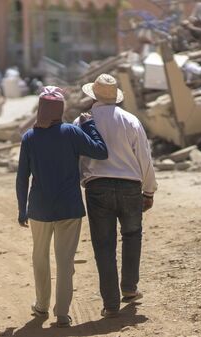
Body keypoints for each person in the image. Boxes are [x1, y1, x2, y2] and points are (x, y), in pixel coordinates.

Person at [16, 86, 108, 328]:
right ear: (60, 110)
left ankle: (41, 305)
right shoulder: (71, 133)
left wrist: (21, 209)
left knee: (40, 258)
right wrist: (89, 126)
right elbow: (101, 152)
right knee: (65, 262)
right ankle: (63, 313)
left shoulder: (29, 137)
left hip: (39, 209)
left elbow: (22, 177)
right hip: (69, 208)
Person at [76, 74, 158, 318]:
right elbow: (144, 157)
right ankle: (130, 288)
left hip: (97, 187)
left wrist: (83, 179)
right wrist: (149, 190)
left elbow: (77, 156)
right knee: (132, 236)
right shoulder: (130, 120)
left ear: (93, 95)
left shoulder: (82, 122)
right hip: (130, 187)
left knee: (104, 245)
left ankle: (110, 304)